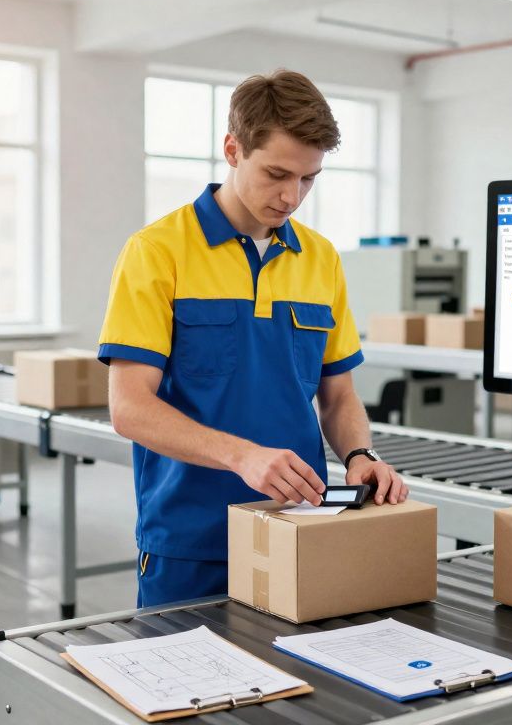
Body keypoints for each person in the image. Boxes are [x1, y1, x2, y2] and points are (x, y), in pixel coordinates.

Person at [98, 69, 408, 608]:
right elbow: (129, 409)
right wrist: (241, 456)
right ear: (233, 149)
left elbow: (338, 395)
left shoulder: (321, 258)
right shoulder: (157, 252)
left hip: (299, 529)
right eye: (276, 173)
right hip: (191, 543)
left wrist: (360, 453)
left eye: (309, 179)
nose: (291, 196)